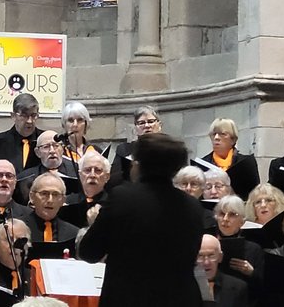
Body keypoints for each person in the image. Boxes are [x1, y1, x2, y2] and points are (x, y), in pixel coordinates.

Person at [79, 133, 204, 306]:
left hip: (129, 299)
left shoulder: (122, 197)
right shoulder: (193, 207)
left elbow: (89, 252)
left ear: (138, 165)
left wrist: (97, 223)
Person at [212, 195, 264, 302]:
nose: (225, 219)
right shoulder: (207, 243)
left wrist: (251, 273)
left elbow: (263, 288)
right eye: (222, 214)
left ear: (242, 222)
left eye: (232, 215)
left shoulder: (253, 249)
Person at [201, 118, 260, 199]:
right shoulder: (202, 164)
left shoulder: (246, 163)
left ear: (233, 139)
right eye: (214, 134)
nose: (216, 138)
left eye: (222, 134)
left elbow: (255, 194)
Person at [16, 130, 78, 203]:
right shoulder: (25, 178)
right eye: (46, 147)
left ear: (62, 149)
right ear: (37, 152)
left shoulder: (77, 172)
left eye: (56, 146)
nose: (52, 151)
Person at [0, 93, 43, 173]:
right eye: (24, 116)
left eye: (33, 115)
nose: (29, 121)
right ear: (13, 116)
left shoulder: (45, 142)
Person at [109, 105, 161, 187]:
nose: (147, 126)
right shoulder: (125, 150)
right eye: (141, 123)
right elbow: (114, 179)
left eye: (151, 121)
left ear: (159, 125)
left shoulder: (169, 148)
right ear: (136, 128)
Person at [23, 173, 80, 243]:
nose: (50, 200)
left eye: (55, 194)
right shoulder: (15, 230)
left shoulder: (74, 234)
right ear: (32, 197)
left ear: (63, 200)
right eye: (44, 193)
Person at [197, 234, 249, 307]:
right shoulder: (183, 287)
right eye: (200, 256)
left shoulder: (238, 287)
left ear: (220, 257)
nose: (206, 262)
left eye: (211, 255)